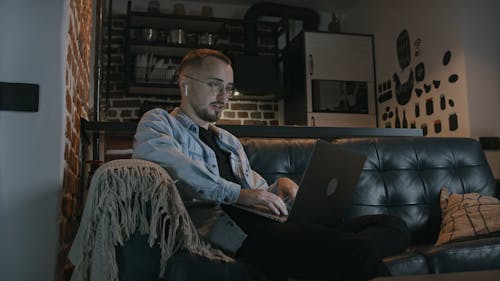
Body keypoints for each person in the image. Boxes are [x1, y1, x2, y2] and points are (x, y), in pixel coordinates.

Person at [133, 49, 410, 281]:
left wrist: (280, 187)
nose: (224, 96)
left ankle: (324, 258)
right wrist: (239, 195)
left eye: (228, 88)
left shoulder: (227, 140)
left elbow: (256, 191)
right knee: (357, 252)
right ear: (186, 83)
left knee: (392, 225)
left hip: (266, 223)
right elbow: (171, 166)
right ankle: (335, 255)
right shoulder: (159, 122)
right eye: (215, 84)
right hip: (230, 229)